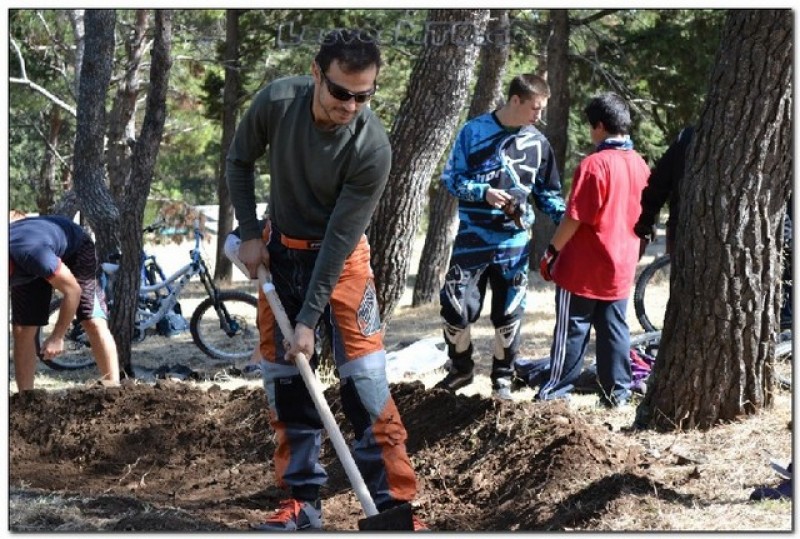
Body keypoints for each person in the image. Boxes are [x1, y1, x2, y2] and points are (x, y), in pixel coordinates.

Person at [226, 29, 426, 531]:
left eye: (364, 95)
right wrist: (250, 235)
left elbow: (339, 241)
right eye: (341, 92)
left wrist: (309, 320)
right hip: (279, 254)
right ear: (317, 74)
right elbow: (238, 160)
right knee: (286, 382)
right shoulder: (277, 101)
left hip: (342, 263)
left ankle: (395, 506)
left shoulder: (372, 147)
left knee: (365, 381)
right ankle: (303, 501)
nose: (351, 105)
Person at [435, 73, 565, 400]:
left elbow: (549, 195)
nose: (539, 116)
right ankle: (461, 368)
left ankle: (502, 380)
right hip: (472, 240)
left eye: (542, 109)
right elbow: (450, 179)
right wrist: (483, 193)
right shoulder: (473, 131)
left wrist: (572, 221)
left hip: (515, 243)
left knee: (509, 313)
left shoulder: (538, 144)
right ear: (515, 100)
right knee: (454, 308)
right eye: (535, 108)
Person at [537, 92, 650, 408]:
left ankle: (556, 391)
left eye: (592, 127)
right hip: (621, 265)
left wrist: (551, 252)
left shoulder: (594, 164)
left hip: (583, 266)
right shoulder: (640, 164)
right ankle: (617, 393)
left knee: (572, 330)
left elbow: (575, 217)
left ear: (599, 126)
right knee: (615, 330)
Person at [10, 215, 120, 391]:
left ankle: (114, 389)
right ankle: (26, 400)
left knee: (91, 320)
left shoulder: (31, 253)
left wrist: (57, 337)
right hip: (31, 257)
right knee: (22, 329)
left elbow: (73, 290)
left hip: (74, 249)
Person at [633, 125, 694, 255]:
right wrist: (644, 225)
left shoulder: (688, 136)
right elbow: (659, 182)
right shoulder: (687, 136)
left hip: (681, 229)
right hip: (681, 229)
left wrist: (644, 225)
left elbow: (659, 182)